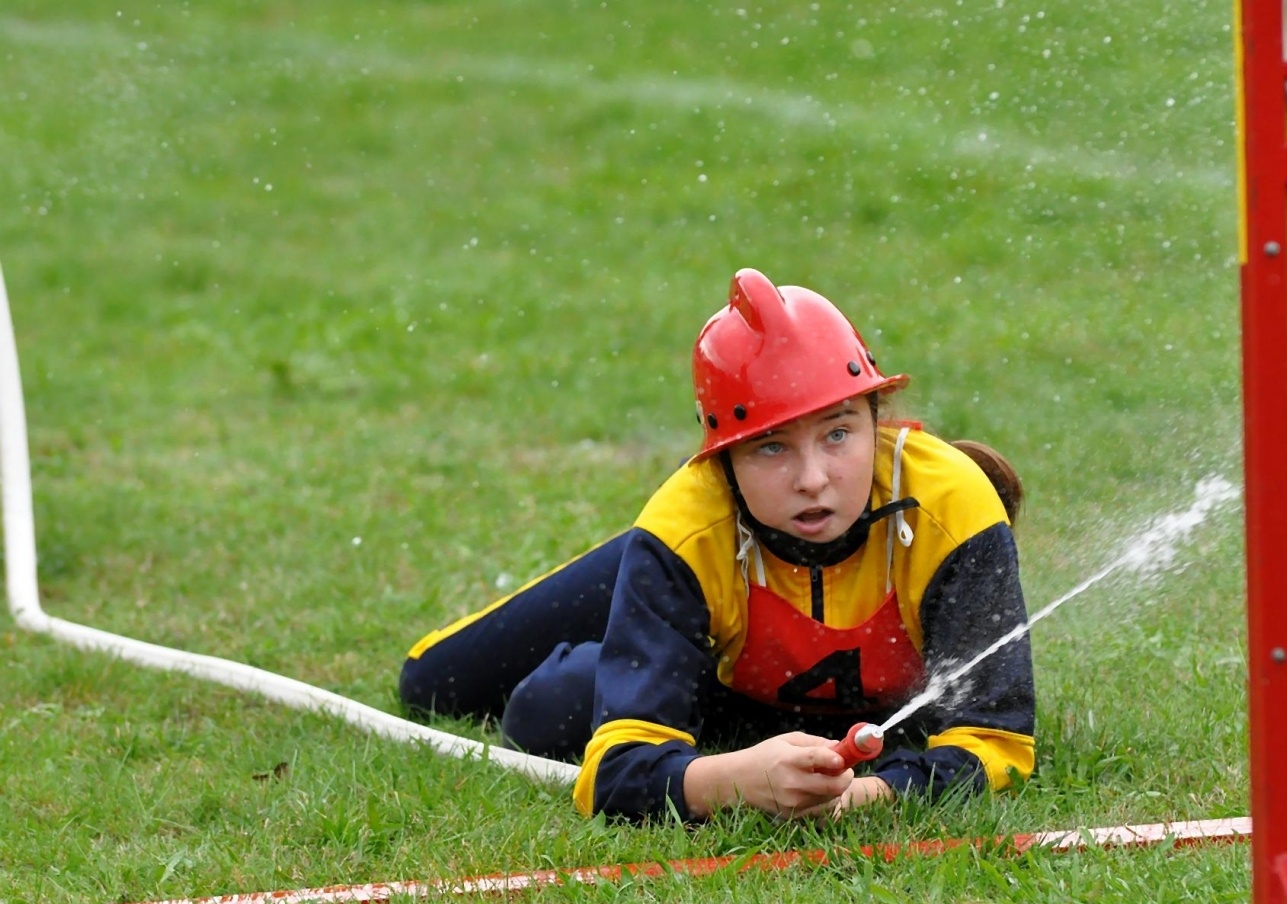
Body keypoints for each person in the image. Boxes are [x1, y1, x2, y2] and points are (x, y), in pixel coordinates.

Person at [398, 268, 1035, 821]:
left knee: (557, 707)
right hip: (714, 603)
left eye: (838, 434)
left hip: (781, 692)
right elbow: (616, 773)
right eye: (771, 447)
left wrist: (871, 795)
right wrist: (732, 781)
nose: (812, 479)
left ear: (878, 418)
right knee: (449, 689)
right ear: (721, 462)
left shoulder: (952, 506)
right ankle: (643, 593)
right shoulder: (686, 525)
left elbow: (997, 742)